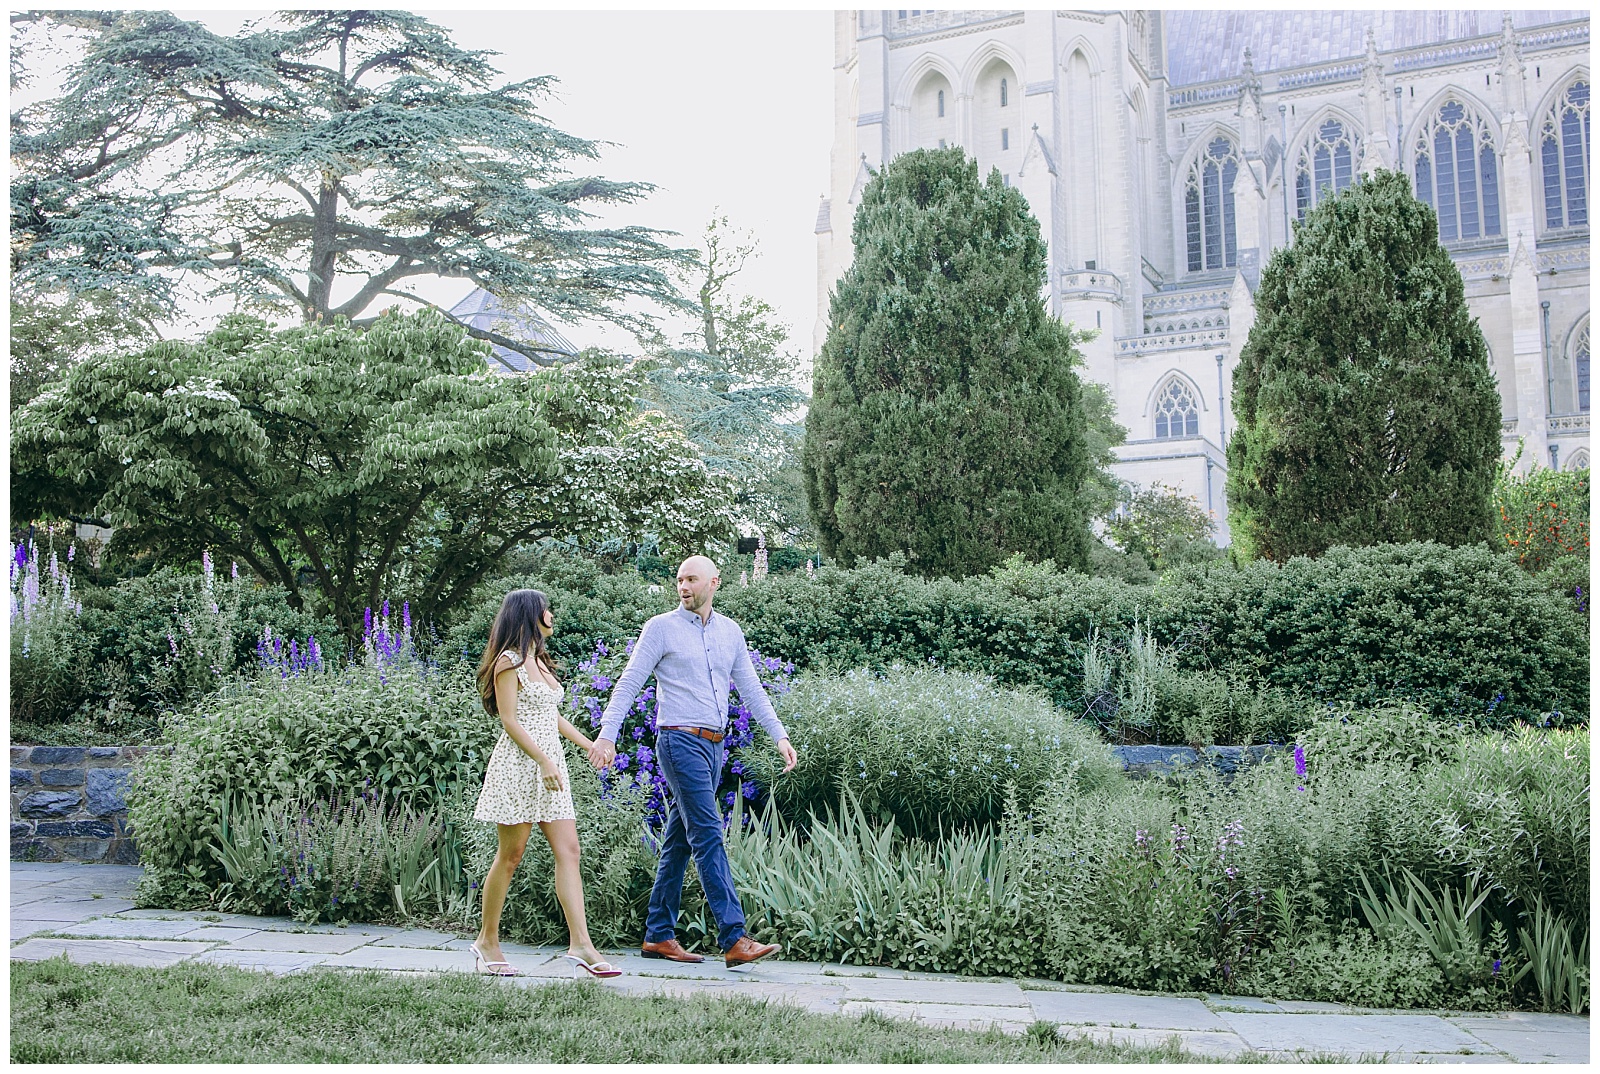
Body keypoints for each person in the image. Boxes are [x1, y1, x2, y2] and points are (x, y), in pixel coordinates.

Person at [590, 554, 797, 968]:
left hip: (715, 745)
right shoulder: (660, 628)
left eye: (692, 580)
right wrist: (608, 733)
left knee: (680, 840)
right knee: (707, 833)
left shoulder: (730, 633)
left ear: (714, 583)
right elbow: (630, 681)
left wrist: (780, 735)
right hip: (678, 741)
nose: (683, 587)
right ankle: (734, 937)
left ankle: (657, 935)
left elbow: (751, 689)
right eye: (679, 580)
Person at [471, 589, 621, 978]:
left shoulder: (540, 660)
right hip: (520, 768)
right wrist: (542, 760)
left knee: (569, 851)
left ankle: (581, 945)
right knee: (511, 856)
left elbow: (549, 716)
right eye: (546, 609)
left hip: (551, 769)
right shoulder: (509, 662)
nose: (552, 615)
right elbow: (510, 720)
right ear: (530, 615)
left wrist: (590, 744)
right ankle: (487, 941)